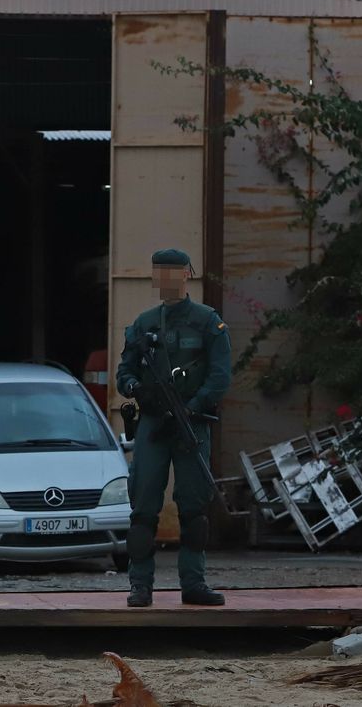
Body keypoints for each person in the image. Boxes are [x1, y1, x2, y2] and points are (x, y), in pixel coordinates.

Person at [115, 247, 232, 607]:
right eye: (158, 272)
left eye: (171, 271)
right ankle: (140, 585)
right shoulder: (144, 323)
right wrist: (137, 389)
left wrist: (193, 406)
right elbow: (125, 372)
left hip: (191, 424)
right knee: (143, 507)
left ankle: (193, 584)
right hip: (152, 426)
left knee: (194, 508)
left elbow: (220, 376)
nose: (165, 279)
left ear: (186, 274)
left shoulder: (208, 322)